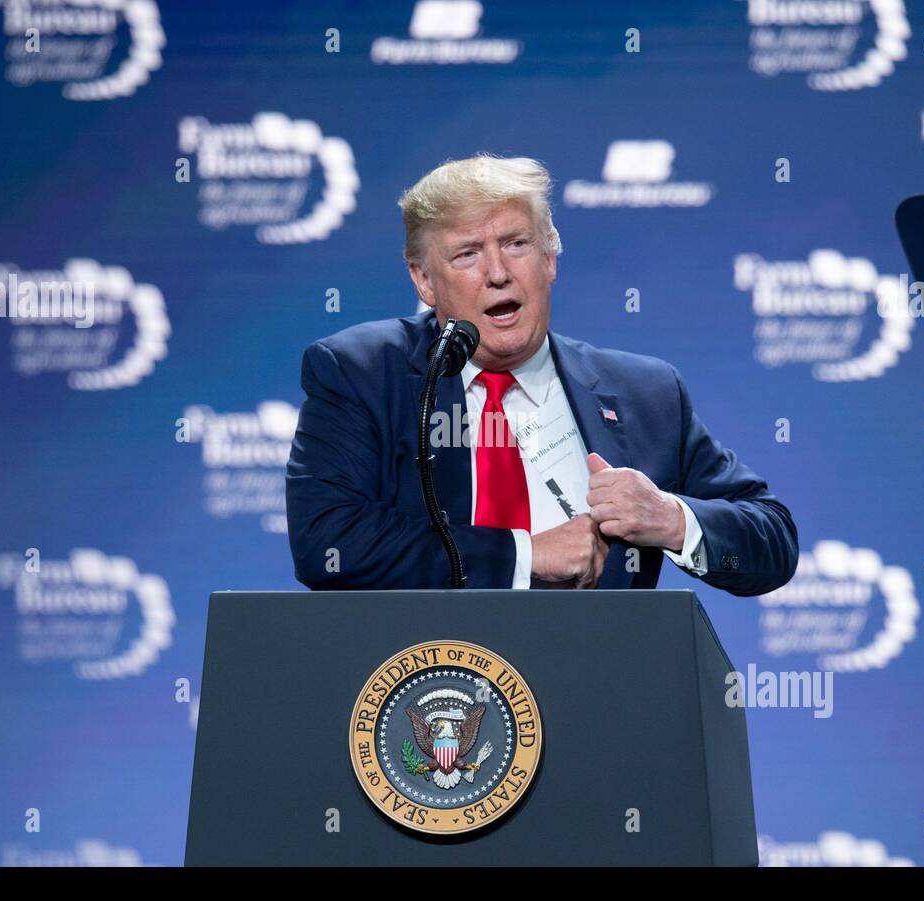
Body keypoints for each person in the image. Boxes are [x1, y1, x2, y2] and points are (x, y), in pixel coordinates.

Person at [286, 154, 797, 593]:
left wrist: (672, 519)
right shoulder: (364, 375)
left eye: (516, 244)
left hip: (597, 692)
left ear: (550, 258)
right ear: (424, 280)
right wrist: (524, 556)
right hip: (435, 688)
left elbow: (771, 542)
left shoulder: (645, 392)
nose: (497, 272)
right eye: (467, 254)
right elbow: (327, 542)